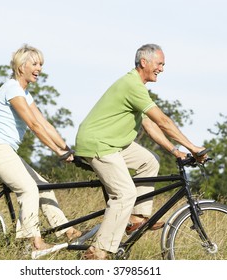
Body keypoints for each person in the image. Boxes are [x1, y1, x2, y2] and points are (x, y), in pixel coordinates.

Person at [75, 43, 207, 259]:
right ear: (144, 62)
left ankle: (137, 218)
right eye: (159, 63)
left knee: (149, 161)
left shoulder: (137, 87)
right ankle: (99, 250)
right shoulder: (132, 85)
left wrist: (175, 151)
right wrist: (193, 147)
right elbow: (162, 121)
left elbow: (150, 125)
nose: (162, 69)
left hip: (113, 142)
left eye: (163, 65)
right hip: (98, 143)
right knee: (125, 193)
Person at [0, 44, 81, 252]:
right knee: (29, 189)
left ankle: (67, 231)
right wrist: (56, 151)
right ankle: (33, 242)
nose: (39, 68)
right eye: (34, 63)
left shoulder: (24, 93)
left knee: (44, 185)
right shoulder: (12, 89)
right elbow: (33, 126)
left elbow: (43, 122)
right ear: (21, 66)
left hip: (3, 149)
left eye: (41, 64)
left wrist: (66, 148)